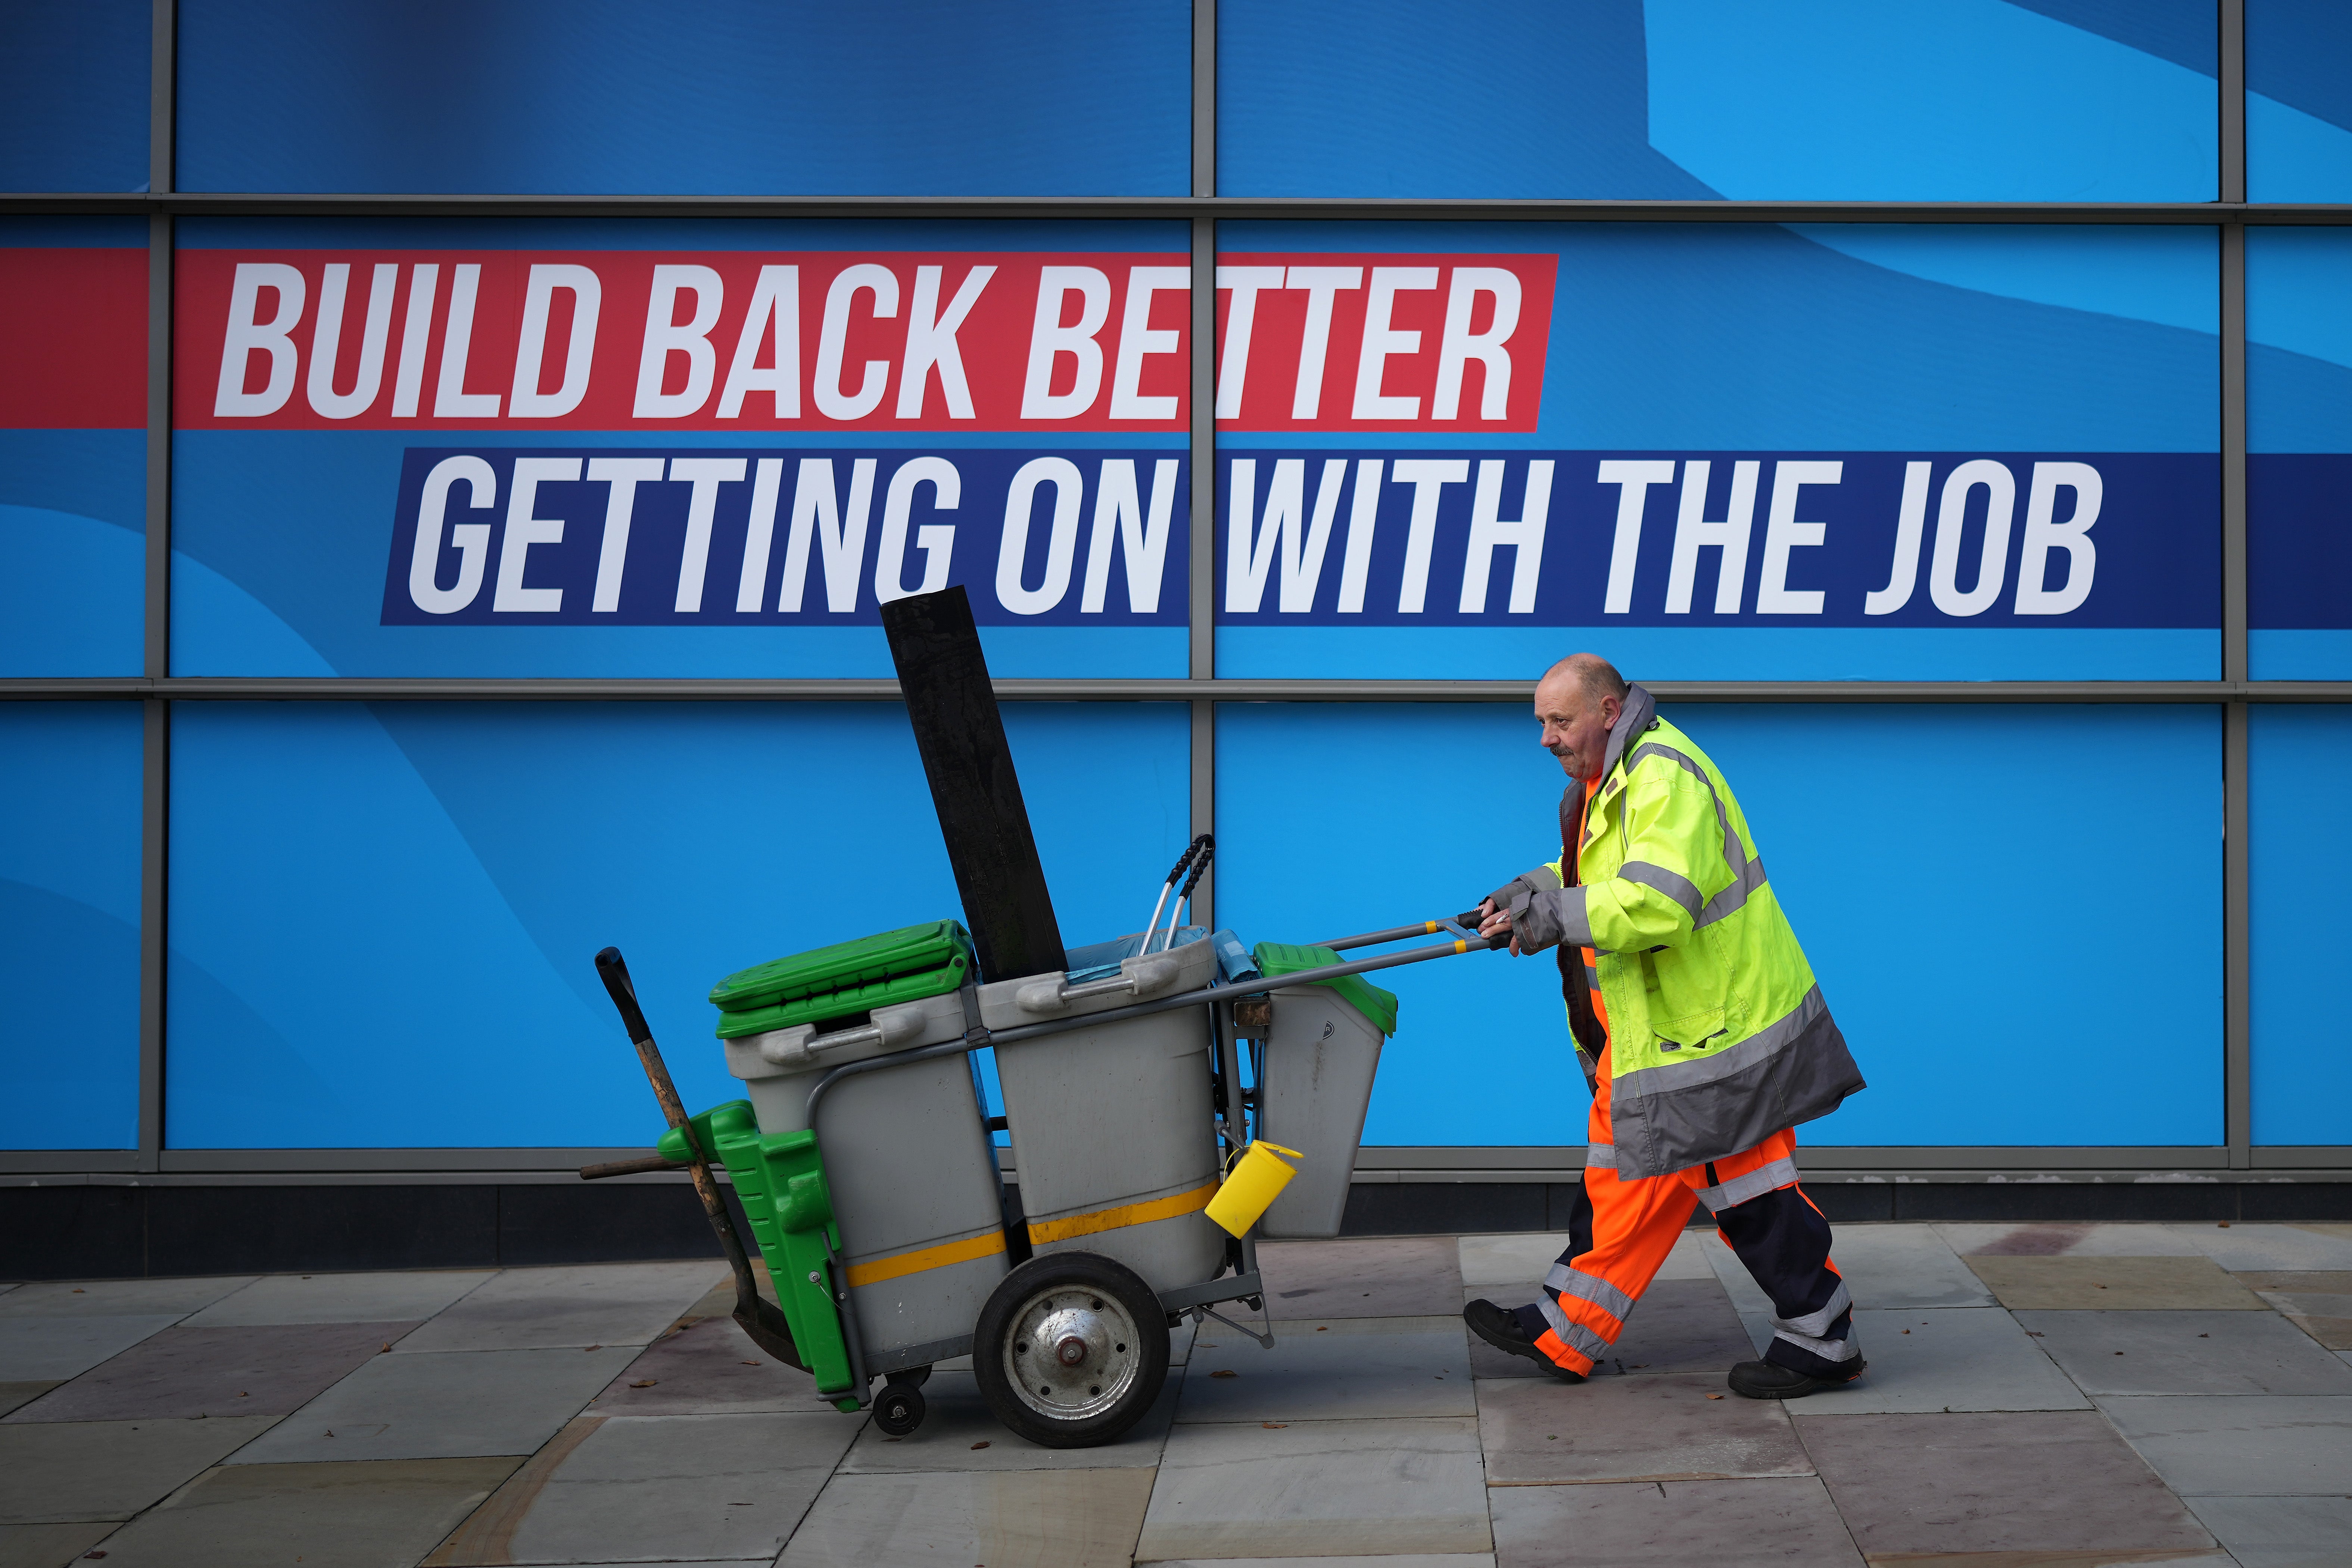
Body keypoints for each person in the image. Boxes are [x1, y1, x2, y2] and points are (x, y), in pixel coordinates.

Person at [1460, 654, 1870, 1399]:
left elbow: (1657, 902)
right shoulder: (1612, 781)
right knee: (1619, 1179)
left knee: (1749, 1190)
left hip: (1709, 1035)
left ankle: (1824, 1336)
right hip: (1663, 1036)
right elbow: (1601, 878)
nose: (1546, 739)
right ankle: (1567, 1332)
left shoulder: (1663, 774)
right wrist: (1529, 894)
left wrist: (1554, 917)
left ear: (1610, 711)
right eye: (1540, 723)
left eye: (1560, 720)